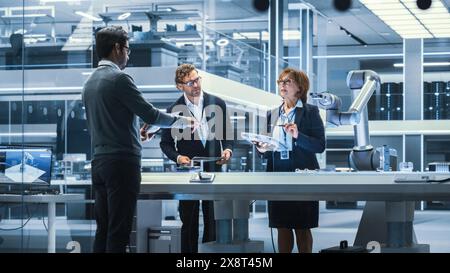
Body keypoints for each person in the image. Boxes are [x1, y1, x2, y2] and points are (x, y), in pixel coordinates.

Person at [82, 26, 196, 253]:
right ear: (116, 48)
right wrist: (183, 121)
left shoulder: (89, 83)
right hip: (121, 163)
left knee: (103, 229)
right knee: (119, 231)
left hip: (99, 163)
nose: (128, 54)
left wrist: (137, 130)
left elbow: (112, 120)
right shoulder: (119, 78)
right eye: (127, 49)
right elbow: (151, 114)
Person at [160, 63, 233, 253]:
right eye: (190, 82)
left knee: (213, 219)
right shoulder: (173, 109)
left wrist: (228, 151)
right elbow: (165, 144)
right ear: (180, 86)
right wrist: (177, 157)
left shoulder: (218, 103)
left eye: (197, 79)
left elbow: (228, 137)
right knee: (188, 220)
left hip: (214, 168)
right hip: (188, 172)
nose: (196, 84)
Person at [254, 68, 325, 253]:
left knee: (302, 227)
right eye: (280, 82)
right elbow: (267, 149)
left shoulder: (311, 112)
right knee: (282, 226)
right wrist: (261, 148)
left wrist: (297, 136)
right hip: (277, 176)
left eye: (287, 81)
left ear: (299, 88)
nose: (282, 85)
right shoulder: (272, 114)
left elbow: (319, 146)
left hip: (302, 177)